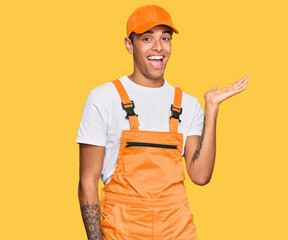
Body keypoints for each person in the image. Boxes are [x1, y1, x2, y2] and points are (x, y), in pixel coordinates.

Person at [76, 4, 249, 240]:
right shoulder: (103, 98)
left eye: (165, 38)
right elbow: (87, 182)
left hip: (177, 231)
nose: (158, 47)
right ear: (129, 45)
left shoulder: (187, 104)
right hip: (123, 232)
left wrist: (211, 109)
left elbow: (200, 176)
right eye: (147, 38)